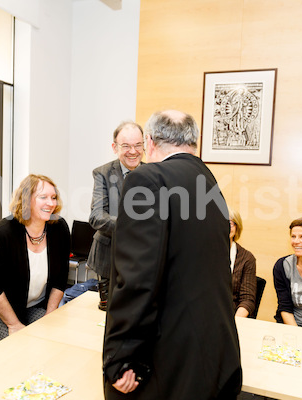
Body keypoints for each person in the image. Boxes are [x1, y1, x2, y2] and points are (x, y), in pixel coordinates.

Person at [103, 110, 242, 399]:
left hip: (168, 356)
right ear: (194, 142)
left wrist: (121, 355)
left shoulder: (147, 179)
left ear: (150, 142)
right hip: (213, 351)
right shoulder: (209, 182)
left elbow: (139, 276)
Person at [0, 174, 70, 339]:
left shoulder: (59, 228)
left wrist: (50, 315)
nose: (51, 203)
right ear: (26, 200)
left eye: (53, 197)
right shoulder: (3, 233)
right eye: (43, 197)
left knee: (52, 339)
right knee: (19, 346)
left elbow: (61, 278)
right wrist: (14, 324)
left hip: (38, 305)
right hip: (6, 308)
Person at [87, 121, 144, 311]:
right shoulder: (102, 174)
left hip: (142, 258)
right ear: (115, 147)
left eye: (138, 145)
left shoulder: (153, 174)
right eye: (126, 146)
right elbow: (96, 216)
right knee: (109, 315)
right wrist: (130, 227)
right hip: (108, 258)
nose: (133, 151)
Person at [229, 209, 257, 318]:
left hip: (231, 316)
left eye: (230, 223)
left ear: (237, 228)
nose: (224, 226)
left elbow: (247, 300)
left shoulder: (247, 258)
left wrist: (234, 324)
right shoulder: (203, 253)